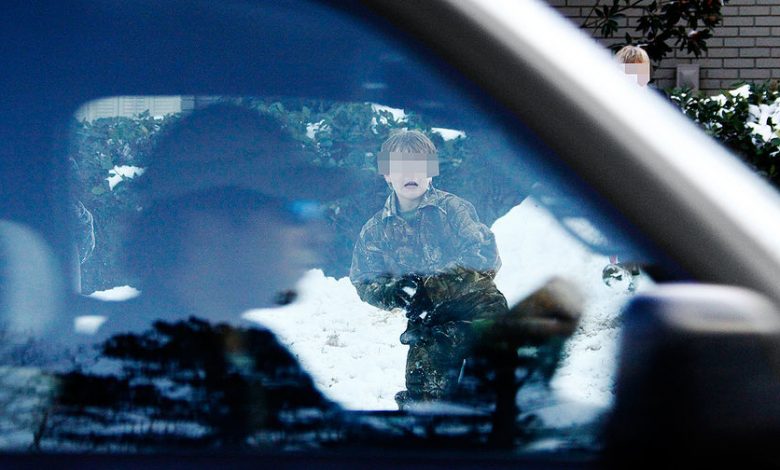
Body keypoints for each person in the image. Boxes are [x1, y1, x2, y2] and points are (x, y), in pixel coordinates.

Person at [349, 129, 509, 408]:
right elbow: (364, 280)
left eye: (419, 165)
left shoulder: (454, 209)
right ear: (386, 173)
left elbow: (484, 255)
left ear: (431, 171)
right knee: (424, 401)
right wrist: (396, 292)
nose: (410, 173)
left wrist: (429, 288)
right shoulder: (375, 230)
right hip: (429, 324)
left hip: (480, 313)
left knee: (491, 396)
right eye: (400, 167)